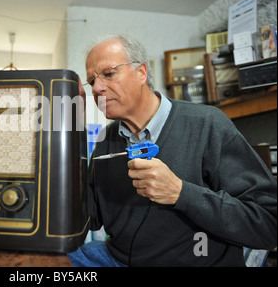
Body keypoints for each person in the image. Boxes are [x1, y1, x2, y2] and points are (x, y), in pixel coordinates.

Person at [68, 34, 277, 266]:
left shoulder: (207, 124)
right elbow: (86, 219)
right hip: (117, 259)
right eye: (92, 80)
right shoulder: (105, 140)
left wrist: (181, 193)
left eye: (108, 74)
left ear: (141, 73)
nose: (97, 88)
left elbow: (267, 224)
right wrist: (70, 124)